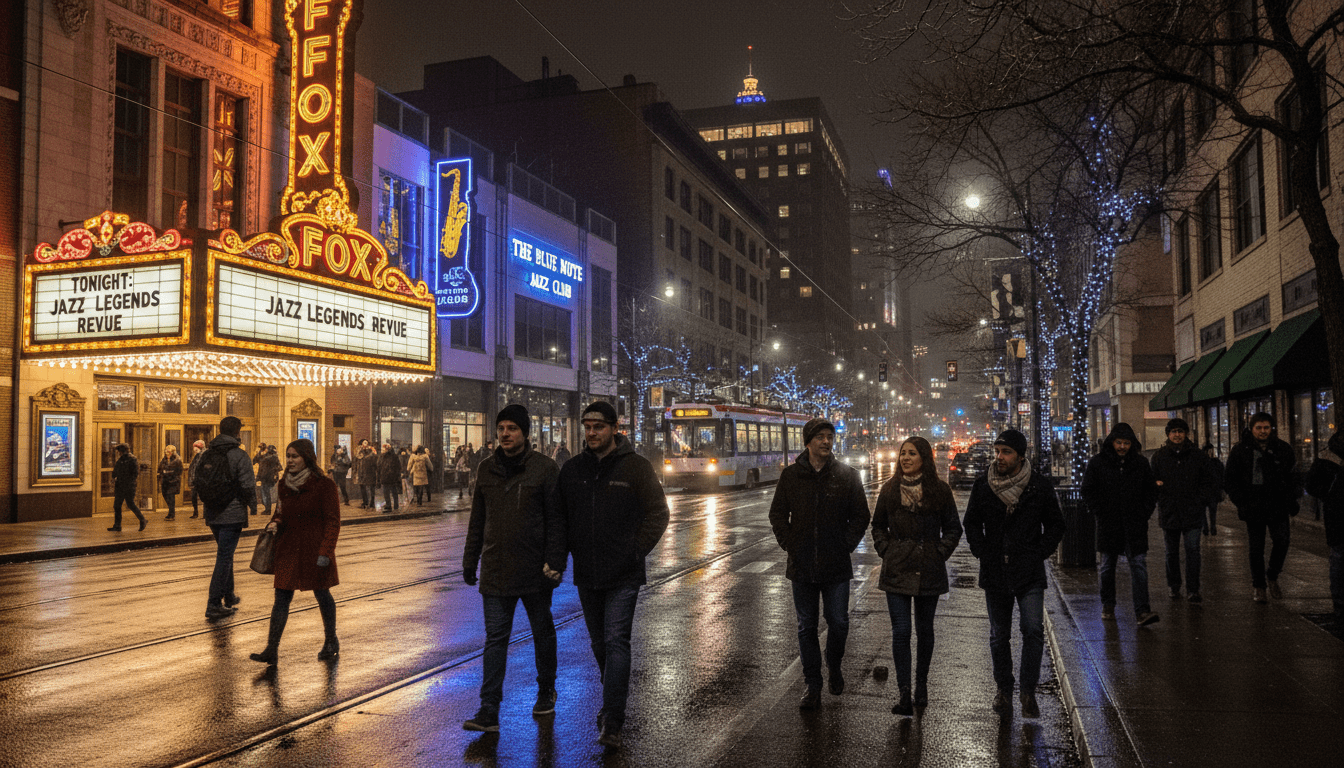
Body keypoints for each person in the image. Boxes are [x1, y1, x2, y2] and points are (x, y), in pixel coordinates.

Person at [557, 401, 669, 747]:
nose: (591, 433)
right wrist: (559, 558)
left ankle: (613, 720)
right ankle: (613, 701)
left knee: (616, 640)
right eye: (587, 427)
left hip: (624, 573)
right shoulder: (573, 470)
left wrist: (636, 551)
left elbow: (658, 513)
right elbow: (560, 518)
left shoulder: (635, 467)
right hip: (587, 572)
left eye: (599, 427)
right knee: (599, 644)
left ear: (614, 429)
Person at [462, 404, 566, 734]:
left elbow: (556, 521)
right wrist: (469, 559)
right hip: (495, 569)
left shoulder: (545, 469)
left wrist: (555, 562)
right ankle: (489, 709)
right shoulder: (486, 469)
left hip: (535, 571)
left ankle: (546, 690)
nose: (505, 434)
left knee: (542, 633)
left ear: (525, 433)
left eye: (512, 429)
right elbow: (477, 519)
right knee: (495, 639)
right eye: (501, 428)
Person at [768, 417, 871, 711]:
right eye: (820, 437)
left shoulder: (846, 475)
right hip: (801, 566)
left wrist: (845, 544)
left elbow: (861, 516)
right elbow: (777, 515)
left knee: (838, 621)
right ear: (808, 442)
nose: (826, 442)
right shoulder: (791, 476)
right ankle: (813, 684)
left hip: (836, 565)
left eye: (830, 437)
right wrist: (790, 544)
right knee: (806, 627)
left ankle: (834, 664)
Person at [963, 429, 1066, 718]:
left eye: (1006, 452)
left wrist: (1039, 551)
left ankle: (1028, 691)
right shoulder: (984, 485)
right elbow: (971, 522)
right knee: (999, 635)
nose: (1000, 457)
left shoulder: (1038, 486)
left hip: (1028, 570)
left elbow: (1056, 524)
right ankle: (1004, 690)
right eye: (997, 451)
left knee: (1033, 630)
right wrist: (981, 550)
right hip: (995, 570)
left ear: (1020, 456)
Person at [871, 436, 962, 716]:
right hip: (897, 570)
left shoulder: (939, 491)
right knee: (901, 632)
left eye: (912, 454)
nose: (905, 458)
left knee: (924, 631)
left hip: (928, 570)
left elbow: (953, 529)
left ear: (924, 458)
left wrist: (938, 553)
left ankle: (921, 686)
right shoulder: (889, 489)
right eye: (903, 454)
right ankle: (904, 693)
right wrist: (888, 551)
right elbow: (878, 527)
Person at [249, 439, 342, 664]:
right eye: (288, 456)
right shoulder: (284, 484)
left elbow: (333, 521)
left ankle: (331, 640)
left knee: (322, 593)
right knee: (281, 598)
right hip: (288, 547)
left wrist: (325, 551)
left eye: (294, 456)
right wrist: (275, 522)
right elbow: (280, 512)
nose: (290, 460)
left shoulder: (324, 484)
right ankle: (271, 649)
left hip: (315, 548)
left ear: (306, 458)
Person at [1083, 423, 1160, 625]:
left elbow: (1151, 492)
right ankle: (1108, 604)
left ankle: (1142, 610)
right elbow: (1088, 490)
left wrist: (1143, 513)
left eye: (1126, 443)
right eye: (1119, 442)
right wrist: (1099, 511)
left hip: (1135, 523)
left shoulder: (1141, 464)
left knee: (1139, 566)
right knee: (1107, 566)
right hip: (1109, 523)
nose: (1122, 447)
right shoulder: (1098, 463)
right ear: (1112, 442)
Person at [1225, 413, 1298, 602]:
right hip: (1253, 506)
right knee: (1256, 548)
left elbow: (1292, 476)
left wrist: (1291, 499)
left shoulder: (1282, 449)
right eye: (1259, 427)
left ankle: (1272, 574)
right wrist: (1241, 501)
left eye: (1266, 427)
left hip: (1278, 504)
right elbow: (1231, 479)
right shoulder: (1241, 451)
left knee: (1282, 541)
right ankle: (1259, 586)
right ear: (1252, 429)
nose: (1263, 431)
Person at [195, 416, 256, 620]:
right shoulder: (239, 455)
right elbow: (247, 484)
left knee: (225, 553)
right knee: (224, 557)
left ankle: (228, 596)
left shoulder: (208, 453)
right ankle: (213, 603)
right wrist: (253, 505)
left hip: (212, 511)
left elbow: (198, 480)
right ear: (237, 432)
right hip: (232, 512)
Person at [1152, 419, 1217, 604]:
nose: (1177, 435)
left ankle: (1193, 589)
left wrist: (1200, 500)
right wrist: (1160, 494)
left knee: (1193, 550)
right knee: (1171, 552)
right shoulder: (1159, 457)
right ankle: (1174, 585)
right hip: (1170, 511)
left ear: (1186, 433)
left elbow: (1209, 481)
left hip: (1192, 512)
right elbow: (1152, 482)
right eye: (1173, 431)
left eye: (1180, 431)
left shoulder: (1198, 456)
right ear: (1168, 434)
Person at [1305, 430, 1344, 621]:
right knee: (1338, 557)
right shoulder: (1327, 459)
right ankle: (1339, 605)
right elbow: (1311, 485)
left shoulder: (1325, 458)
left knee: (1338, 558)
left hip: (1335, 516)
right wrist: (1330, 496)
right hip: (1337, 517)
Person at [108, 443, 146, 532]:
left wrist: (129, 482)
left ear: (122, 451)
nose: (118, 453)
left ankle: (142, 520)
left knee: (130, 504)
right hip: (120, 485)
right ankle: (117, 525)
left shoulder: (132, 459)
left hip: (128, 486)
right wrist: (114, 477)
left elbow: (135, 473)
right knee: (117, 505)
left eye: (119, 451)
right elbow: (116, 469)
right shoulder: (121, 459)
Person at [1203, 443, 1225, 535]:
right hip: (1208, 491)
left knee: (1210, 510)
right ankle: (1209, 527)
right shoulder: (1206, 462)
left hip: (1211, 491)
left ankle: (1210, 527)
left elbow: (1222, 475)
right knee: (1210, 511)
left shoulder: (1215, 462)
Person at [158, 444, 184, 521]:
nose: (166, 453)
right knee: (165, 495)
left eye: (168, 451)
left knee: (171, 497)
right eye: (166, 451)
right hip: (165, 481)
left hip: (172, 481)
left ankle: (171, 514)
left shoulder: (177, 460)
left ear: (172, 452)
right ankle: (170, 512)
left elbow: (179, 471)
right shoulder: (164, 459)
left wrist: (174, 478)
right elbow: (160, 468)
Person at [256, 444, 282, 517]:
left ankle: (268, 509)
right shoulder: (274, 457)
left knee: (265, 493)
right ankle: (267, 509)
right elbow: (280, 467)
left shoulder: (268, 457)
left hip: (266, 478)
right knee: (266, 493)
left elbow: (259, 462)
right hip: (269, 478)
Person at [377, 442, 402, 512]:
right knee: (388, 492)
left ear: (387, 449)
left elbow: (398, 467)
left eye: (383, 449)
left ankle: (393, 505)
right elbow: (378, 467)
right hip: (386, 477)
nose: (381, 451)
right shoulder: (382, 456)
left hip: (390, 477)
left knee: (392, 492)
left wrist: (396, 475)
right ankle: (390, 505)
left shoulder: (392, 456)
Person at [186, 440, 207, 519]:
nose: (195, 449)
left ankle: (203, 514)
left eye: (197, 447)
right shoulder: (197, 455)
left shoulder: (203, 455)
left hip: (200, 480)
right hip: (195, 480)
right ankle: (196, 513)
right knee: (194, 497)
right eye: (194, 447)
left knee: (203, 497)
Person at [355, 439, 378, 509]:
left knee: (371, 489)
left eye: (366, 442)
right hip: (362, 473)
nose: (365, 443)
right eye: (363, 442)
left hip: (369, 473)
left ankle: (370, 503)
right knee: (364, 488)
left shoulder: (372, 452)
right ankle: (366, 502)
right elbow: (356, 462)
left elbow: (374, 463)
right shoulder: (359, 452)